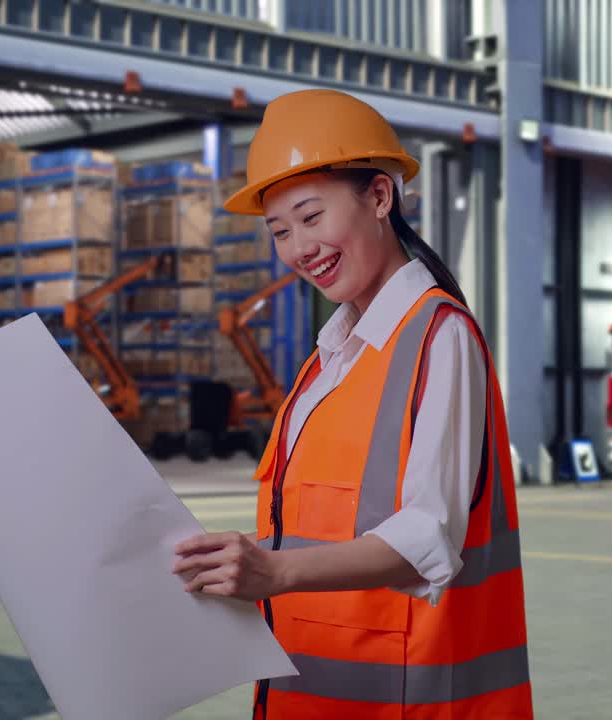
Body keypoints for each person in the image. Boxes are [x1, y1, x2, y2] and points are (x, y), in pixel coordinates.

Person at [172, 89, 532, 719]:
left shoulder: (438, 337)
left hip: (403, 700)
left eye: (311, 217)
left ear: (379, 197)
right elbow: (315, 531)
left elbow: (429, 537)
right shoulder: (328, 360)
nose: (299, 248)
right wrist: (243, 561)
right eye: (280, 231)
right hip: (307, 697)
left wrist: (274, 573)